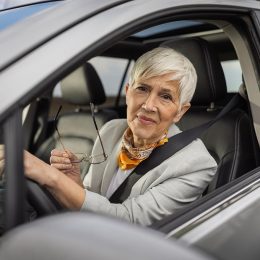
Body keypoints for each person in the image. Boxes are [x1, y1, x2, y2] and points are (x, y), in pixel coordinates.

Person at [23, 47, 217, 226]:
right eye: (142, 88)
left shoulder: (196, 164)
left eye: (165, 97)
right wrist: (76, 183)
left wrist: (49, 176)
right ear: (127, 93)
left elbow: (128, 222)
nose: (149, 105)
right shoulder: (111, 130)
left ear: (180, 112)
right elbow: (93, 198)